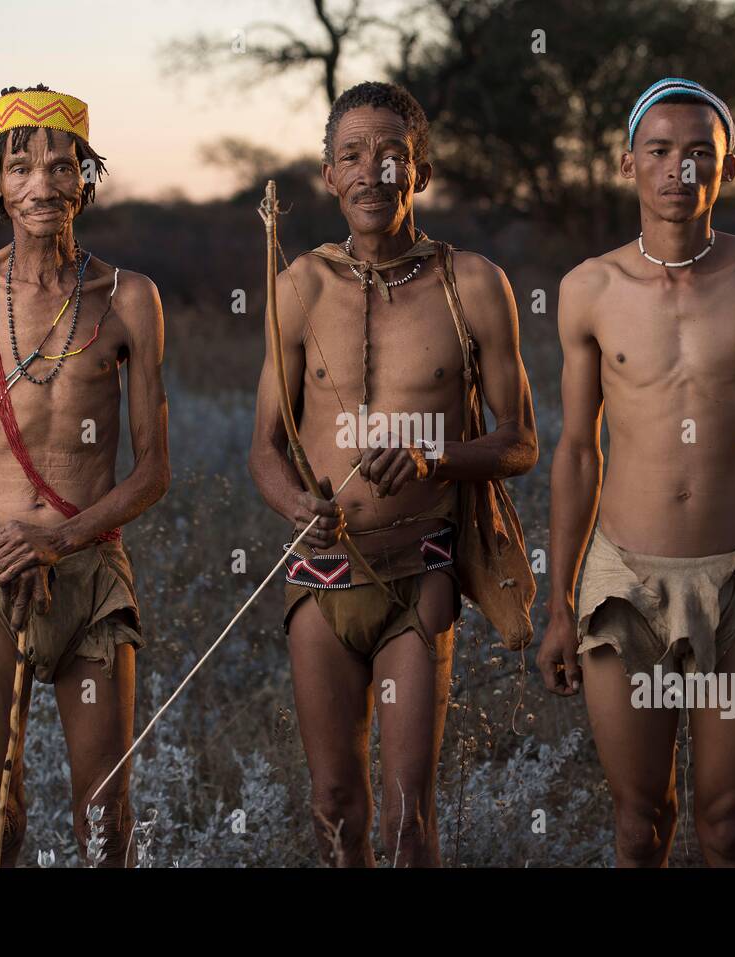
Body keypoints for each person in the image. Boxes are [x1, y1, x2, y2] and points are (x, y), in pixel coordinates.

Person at [539, 78, 735, 866]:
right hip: (623, 581)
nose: (681, 170)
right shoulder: (587, 289)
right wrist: (561, 603)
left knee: (727, 825)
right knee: (640, 823)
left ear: (727, 167)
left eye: (701, 152)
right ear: (628, 161)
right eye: (662, 151)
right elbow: (576, 451)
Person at [249, 81, 537, 866]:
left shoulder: (471, 283)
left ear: (421, 171)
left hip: (421, 572)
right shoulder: (298, 286)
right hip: (320, 572)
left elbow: (521, 442)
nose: (371, 172)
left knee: (411, 817)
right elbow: (264, 449)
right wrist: (295, 507)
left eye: (391, 156)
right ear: (329, 175)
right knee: (336, 806)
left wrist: (432, 456)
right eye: (352, 156)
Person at [0, 85, 170, 866]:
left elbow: (153, 469)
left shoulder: (129, 298)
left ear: (85, 183)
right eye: (20, 166)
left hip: (89, 574)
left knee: (105, 815)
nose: (43, 185)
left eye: (62, 166)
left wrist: (56, 540)